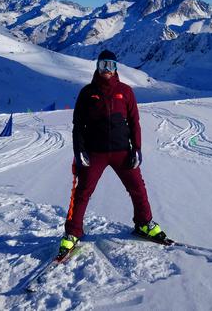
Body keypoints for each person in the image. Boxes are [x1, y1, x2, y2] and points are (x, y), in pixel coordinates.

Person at [59, 50, 166, 256]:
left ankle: (144, 223)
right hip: (94, 152)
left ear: (116, 68)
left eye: (110, 65)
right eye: (102, 66)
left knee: (138, 188)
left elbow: (134, 122)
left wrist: (137, 148)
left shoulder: (125, 92)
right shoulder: (87, 93)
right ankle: (73, 233)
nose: (106, 70)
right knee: (82, 192)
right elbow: (78, 125)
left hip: (122, 152)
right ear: (97, 67)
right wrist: (79, 150)